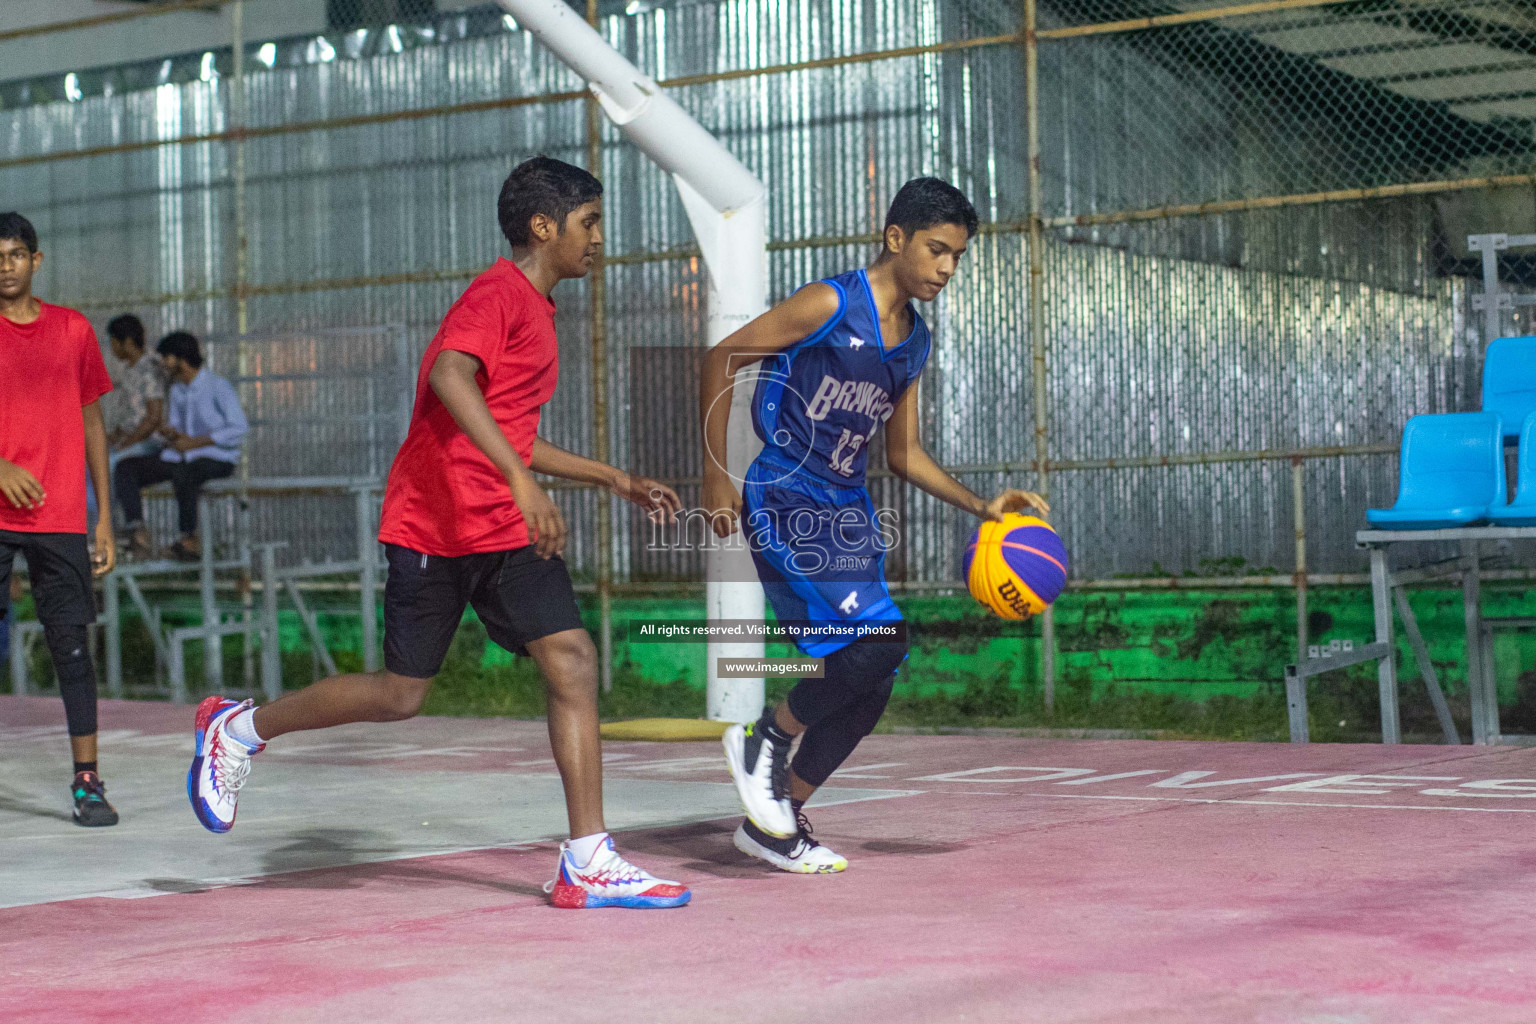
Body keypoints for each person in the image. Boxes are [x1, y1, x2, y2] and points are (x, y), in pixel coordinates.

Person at [186, 156, 693, 910]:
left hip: (502, 527)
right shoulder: (497, 295)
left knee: (572, 660)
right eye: (589, 224)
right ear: (543, 227)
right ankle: (240, 729)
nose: (599, 240)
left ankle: (587, 857)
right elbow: (450, 379)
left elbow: (512, 433)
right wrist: (524, 483)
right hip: (436, 521)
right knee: (400, 697)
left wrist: (610, 478)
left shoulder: (540, 312)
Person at [700, 178, 1049, 873]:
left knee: (876, 675)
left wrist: (983, 507)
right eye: (937, 250)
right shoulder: (830, 302)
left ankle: (776, 823)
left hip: (848, 511)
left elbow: (905, 454)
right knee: (878, 645)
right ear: (897, 240)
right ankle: (762, 738)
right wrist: (718, 476)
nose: (948, 268)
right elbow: (723, 357)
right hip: (788, 495)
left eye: (957, 256)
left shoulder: (913, 343)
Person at [0, 211, 120, 826]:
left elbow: (93, 422)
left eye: (16, 254)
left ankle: (88, 782)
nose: (6, 266)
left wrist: (104, 518)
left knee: (73, 648)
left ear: (36, 261)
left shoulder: (72, 330)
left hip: (62, 515)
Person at [114, 331, 246, 561]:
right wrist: (171, 434)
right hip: (182, 456)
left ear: (180, 358)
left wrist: (197, 442)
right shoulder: (177, 390)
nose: (163, 364)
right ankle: (138, 531)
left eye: (166, 358)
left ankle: (189, 540)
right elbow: (178, 430)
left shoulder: (217, 386)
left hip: (216, 457)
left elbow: (238, 428)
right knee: (126, 468)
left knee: (185, 473)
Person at [86, 314, 165, 532]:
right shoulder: (131, 370)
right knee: (89, 462)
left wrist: (127, 442)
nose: (111, 347)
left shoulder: (149, 369)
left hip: (151, 443)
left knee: (108, 464)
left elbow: (153, 418)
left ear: (127, 342)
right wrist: (115, 437)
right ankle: (93, 524)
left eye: (113, 342)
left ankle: (108, 527)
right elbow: (134, 417)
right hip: (133, 439)